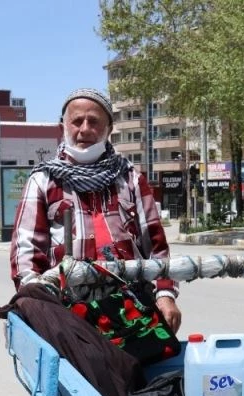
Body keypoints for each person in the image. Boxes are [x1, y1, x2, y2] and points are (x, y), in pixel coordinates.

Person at [10, 88, 181, 333]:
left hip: (132, 309)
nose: (85, 129)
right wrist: (42, 307)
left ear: (109, 129)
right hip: (68, 314)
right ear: (63, 127)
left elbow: (156, 248)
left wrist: (165, 295)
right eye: (77, 121)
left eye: (94, 121)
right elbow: (26, 255)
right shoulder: (43, 181)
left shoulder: (130, 178)